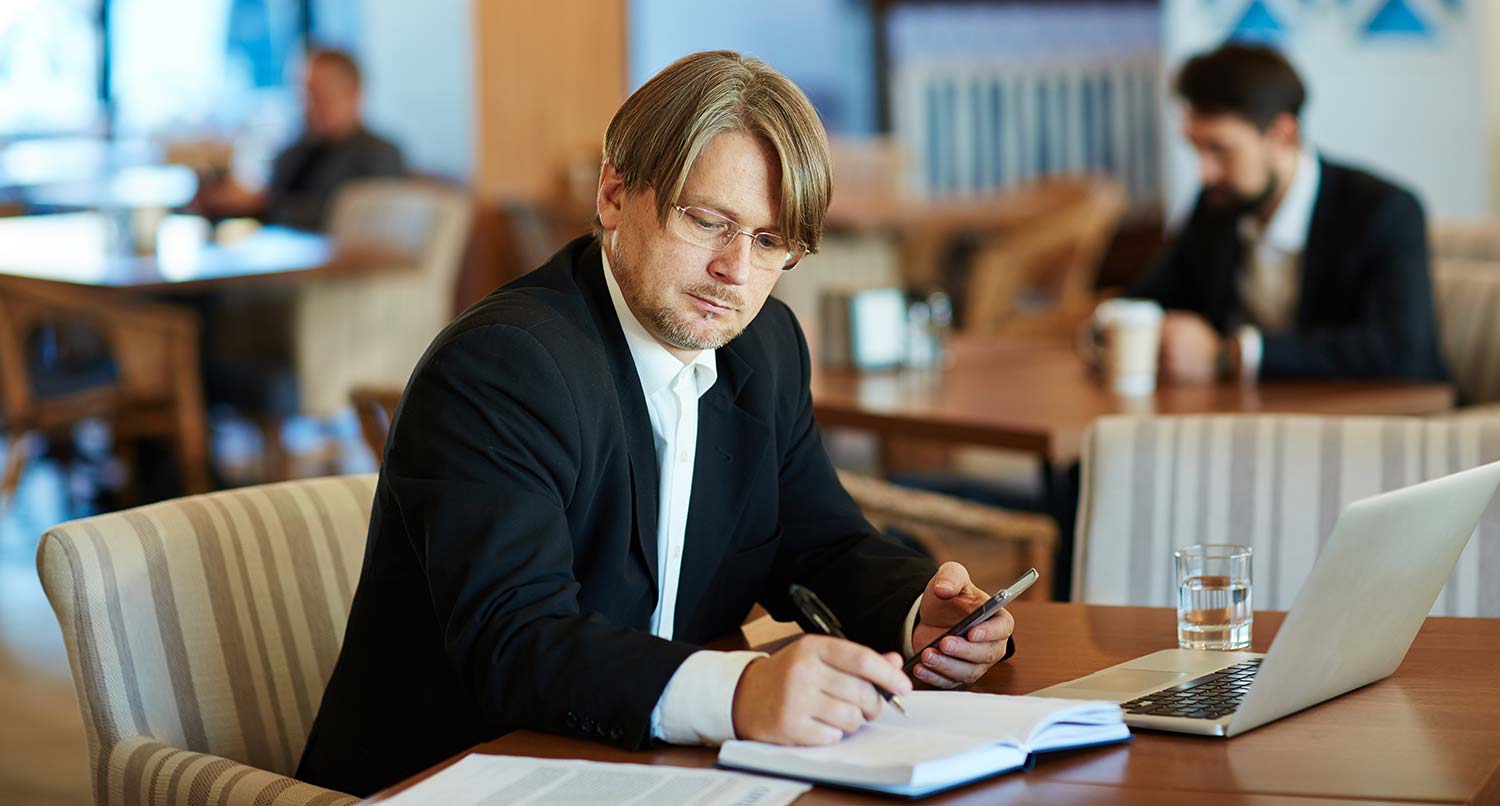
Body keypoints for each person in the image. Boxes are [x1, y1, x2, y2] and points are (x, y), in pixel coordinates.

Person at [296, 51, 1017, 796]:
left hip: (653, 770)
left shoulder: (762, 347)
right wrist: (739, 694)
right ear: (614, 194)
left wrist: (919, 614)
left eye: (769, 242)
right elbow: (516, 642)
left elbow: (819, 540)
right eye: (708, 221)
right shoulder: (504, 367)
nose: (735, 272)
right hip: (462, 777)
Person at [1130, 42, 1447, 383]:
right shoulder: (1217, 205)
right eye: (1196, 149)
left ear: (1282, 134)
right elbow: (1149, 298)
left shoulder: (1383, 212)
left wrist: (1229, 355)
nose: (1205, 173)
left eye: (1220, 150)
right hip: (1261, 419)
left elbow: (1400, 352)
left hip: (1386, 423)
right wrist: (1111, 326)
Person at [193, 47, 404, 231]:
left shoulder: (379, 154)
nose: (310, 104)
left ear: (354, 92)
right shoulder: (295, 152)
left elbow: (343, 218)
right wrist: (223, 202)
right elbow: (267, 209)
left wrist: (261, 202)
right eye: (305, 93)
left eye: (321, 93)